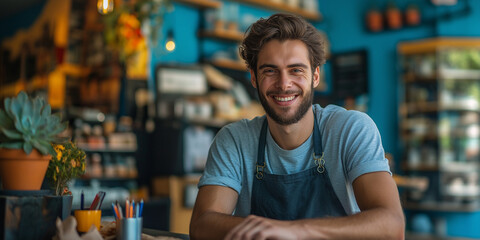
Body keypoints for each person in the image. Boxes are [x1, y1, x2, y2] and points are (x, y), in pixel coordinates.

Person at [190, 13, 405, 240]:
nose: (284, 84)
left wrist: (295, 230)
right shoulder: (234, 140)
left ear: (315, 76)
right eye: (270, 71)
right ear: (254, 78)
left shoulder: (351, 129)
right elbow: (201, 226)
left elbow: (392, 227)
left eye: (296, 70)